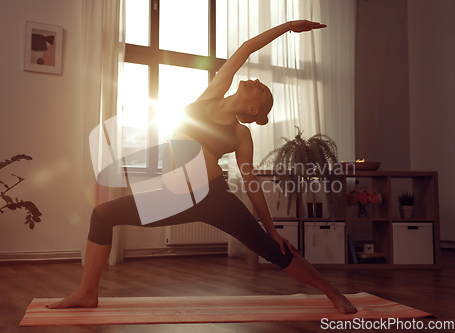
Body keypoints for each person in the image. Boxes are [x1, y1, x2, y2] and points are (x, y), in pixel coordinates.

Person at [47, 20, 357, 314]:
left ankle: (332, 292)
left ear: (252, 109)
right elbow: (246, 48)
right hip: (172, 196)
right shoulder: (210, 96)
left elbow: (250, 182)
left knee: (271, 249)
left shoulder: (240, 133)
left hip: (214, 198)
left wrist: (272, 229)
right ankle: (87, 293)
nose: (257, 82)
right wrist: (288, 28)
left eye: (261, 91)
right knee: (102, 215)